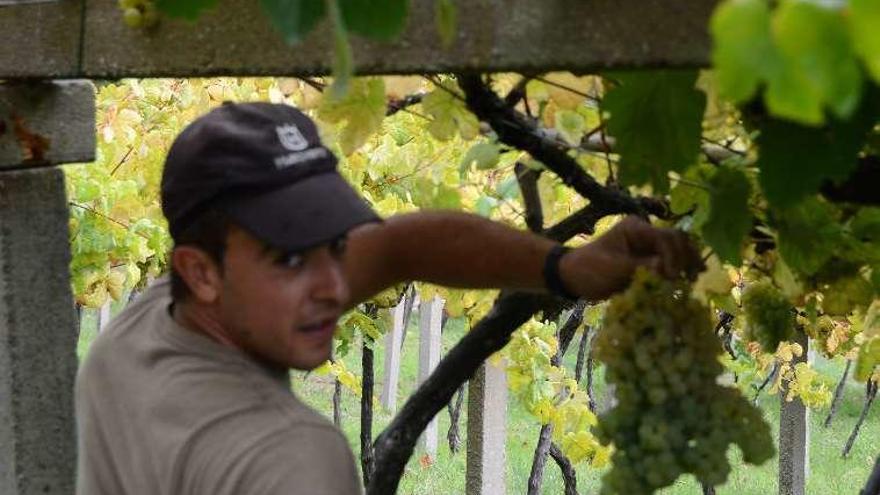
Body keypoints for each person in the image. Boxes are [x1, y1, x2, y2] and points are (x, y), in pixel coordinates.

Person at [75, 102, 703, 495]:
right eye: (291, 257)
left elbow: (403, 246)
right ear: (202, 272)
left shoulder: (143, 329)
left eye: (333, 245)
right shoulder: (292, 459)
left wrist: (566, 267)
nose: (333, 284)